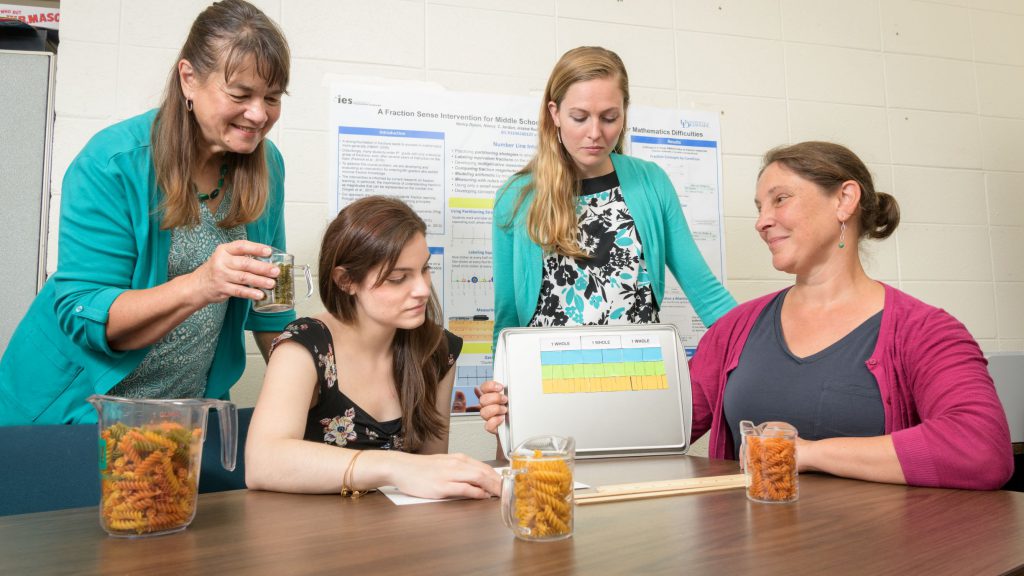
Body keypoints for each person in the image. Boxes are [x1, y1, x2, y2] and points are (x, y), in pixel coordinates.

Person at [0, 0, 292, 424]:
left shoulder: (269, 166)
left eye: (272, 97)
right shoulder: (113, 162)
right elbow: (85, 311)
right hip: (70, 412)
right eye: (240, 94)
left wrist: (311, 394)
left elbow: (272, 302)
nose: (259, 114)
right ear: (189, 78)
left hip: (178, 416)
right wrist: (200, 285)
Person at [687, 141, 1011, 490]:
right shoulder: (735, 329)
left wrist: (807, 454)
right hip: (749, 542)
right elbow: (665, 424)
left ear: (844, 201)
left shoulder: (925, 331)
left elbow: (980, 449)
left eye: (780, 199)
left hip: (876, 544)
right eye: (760, 207)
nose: (762, 222)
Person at [480, 45, 736, 432]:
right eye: (579, 117)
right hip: (545, 390)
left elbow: (708, 294)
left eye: (609, 117)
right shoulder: (517, 197)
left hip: (640, 387)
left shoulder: (651, 182)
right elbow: (508, 319)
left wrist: (759, 349)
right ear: (554, 114)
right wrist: (499, 403)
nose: (595, 133)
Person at [245, 196, 500, 499]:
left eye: (425, 269)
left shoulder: (436, 349)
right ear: (346, 281)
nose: (421, 290)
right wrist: (392, 466)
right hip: (316, 535)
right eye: (397, 278)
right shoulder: (304, 347)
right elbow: (262, 463)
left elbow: (431, 470)